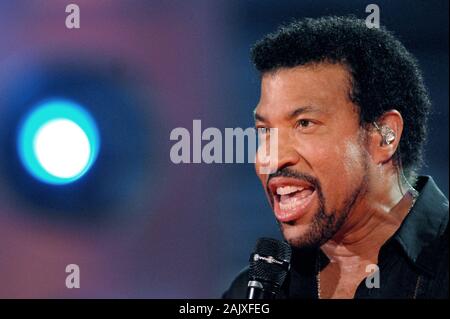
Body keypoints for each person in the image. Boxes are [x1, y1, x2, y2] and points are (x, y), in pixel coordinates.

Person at [223, 16, 448, 299]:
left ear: (384, 136)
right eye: (265, 130)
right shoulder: (256, 290)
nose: (270, 159)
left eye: (304, 123)